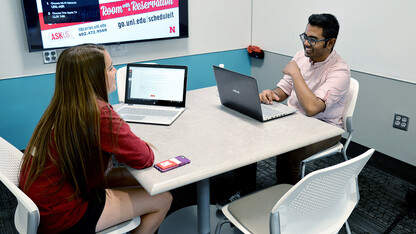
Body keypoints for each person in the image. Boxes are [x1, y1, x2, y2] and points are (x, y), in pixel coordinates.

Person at [19, 44, 172, 234]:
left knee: (132, 178)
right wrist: (137, 146)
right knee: (163, 198)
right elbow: (144, 158)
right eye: (110, 68)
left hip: (47, 202)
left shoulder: (61, 105)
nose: (115, 71)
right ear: (93, 76)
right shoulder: (98, 113)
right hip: (64, 215)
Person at [259, 13, 350, 184]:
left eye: (313, 39)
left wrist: (296, 73)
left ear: (331, 42)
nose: (306, 43)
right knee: (252, 131)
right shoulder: (301, 56)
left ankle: (287, 203)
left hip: (325, 127)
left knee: (290, 152)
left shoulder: (340, 71)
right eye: (305, 37)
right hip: (294, 118)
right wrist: (272, 95)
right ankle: (243, 190)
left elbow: (311, 108)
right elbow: (284, 90)